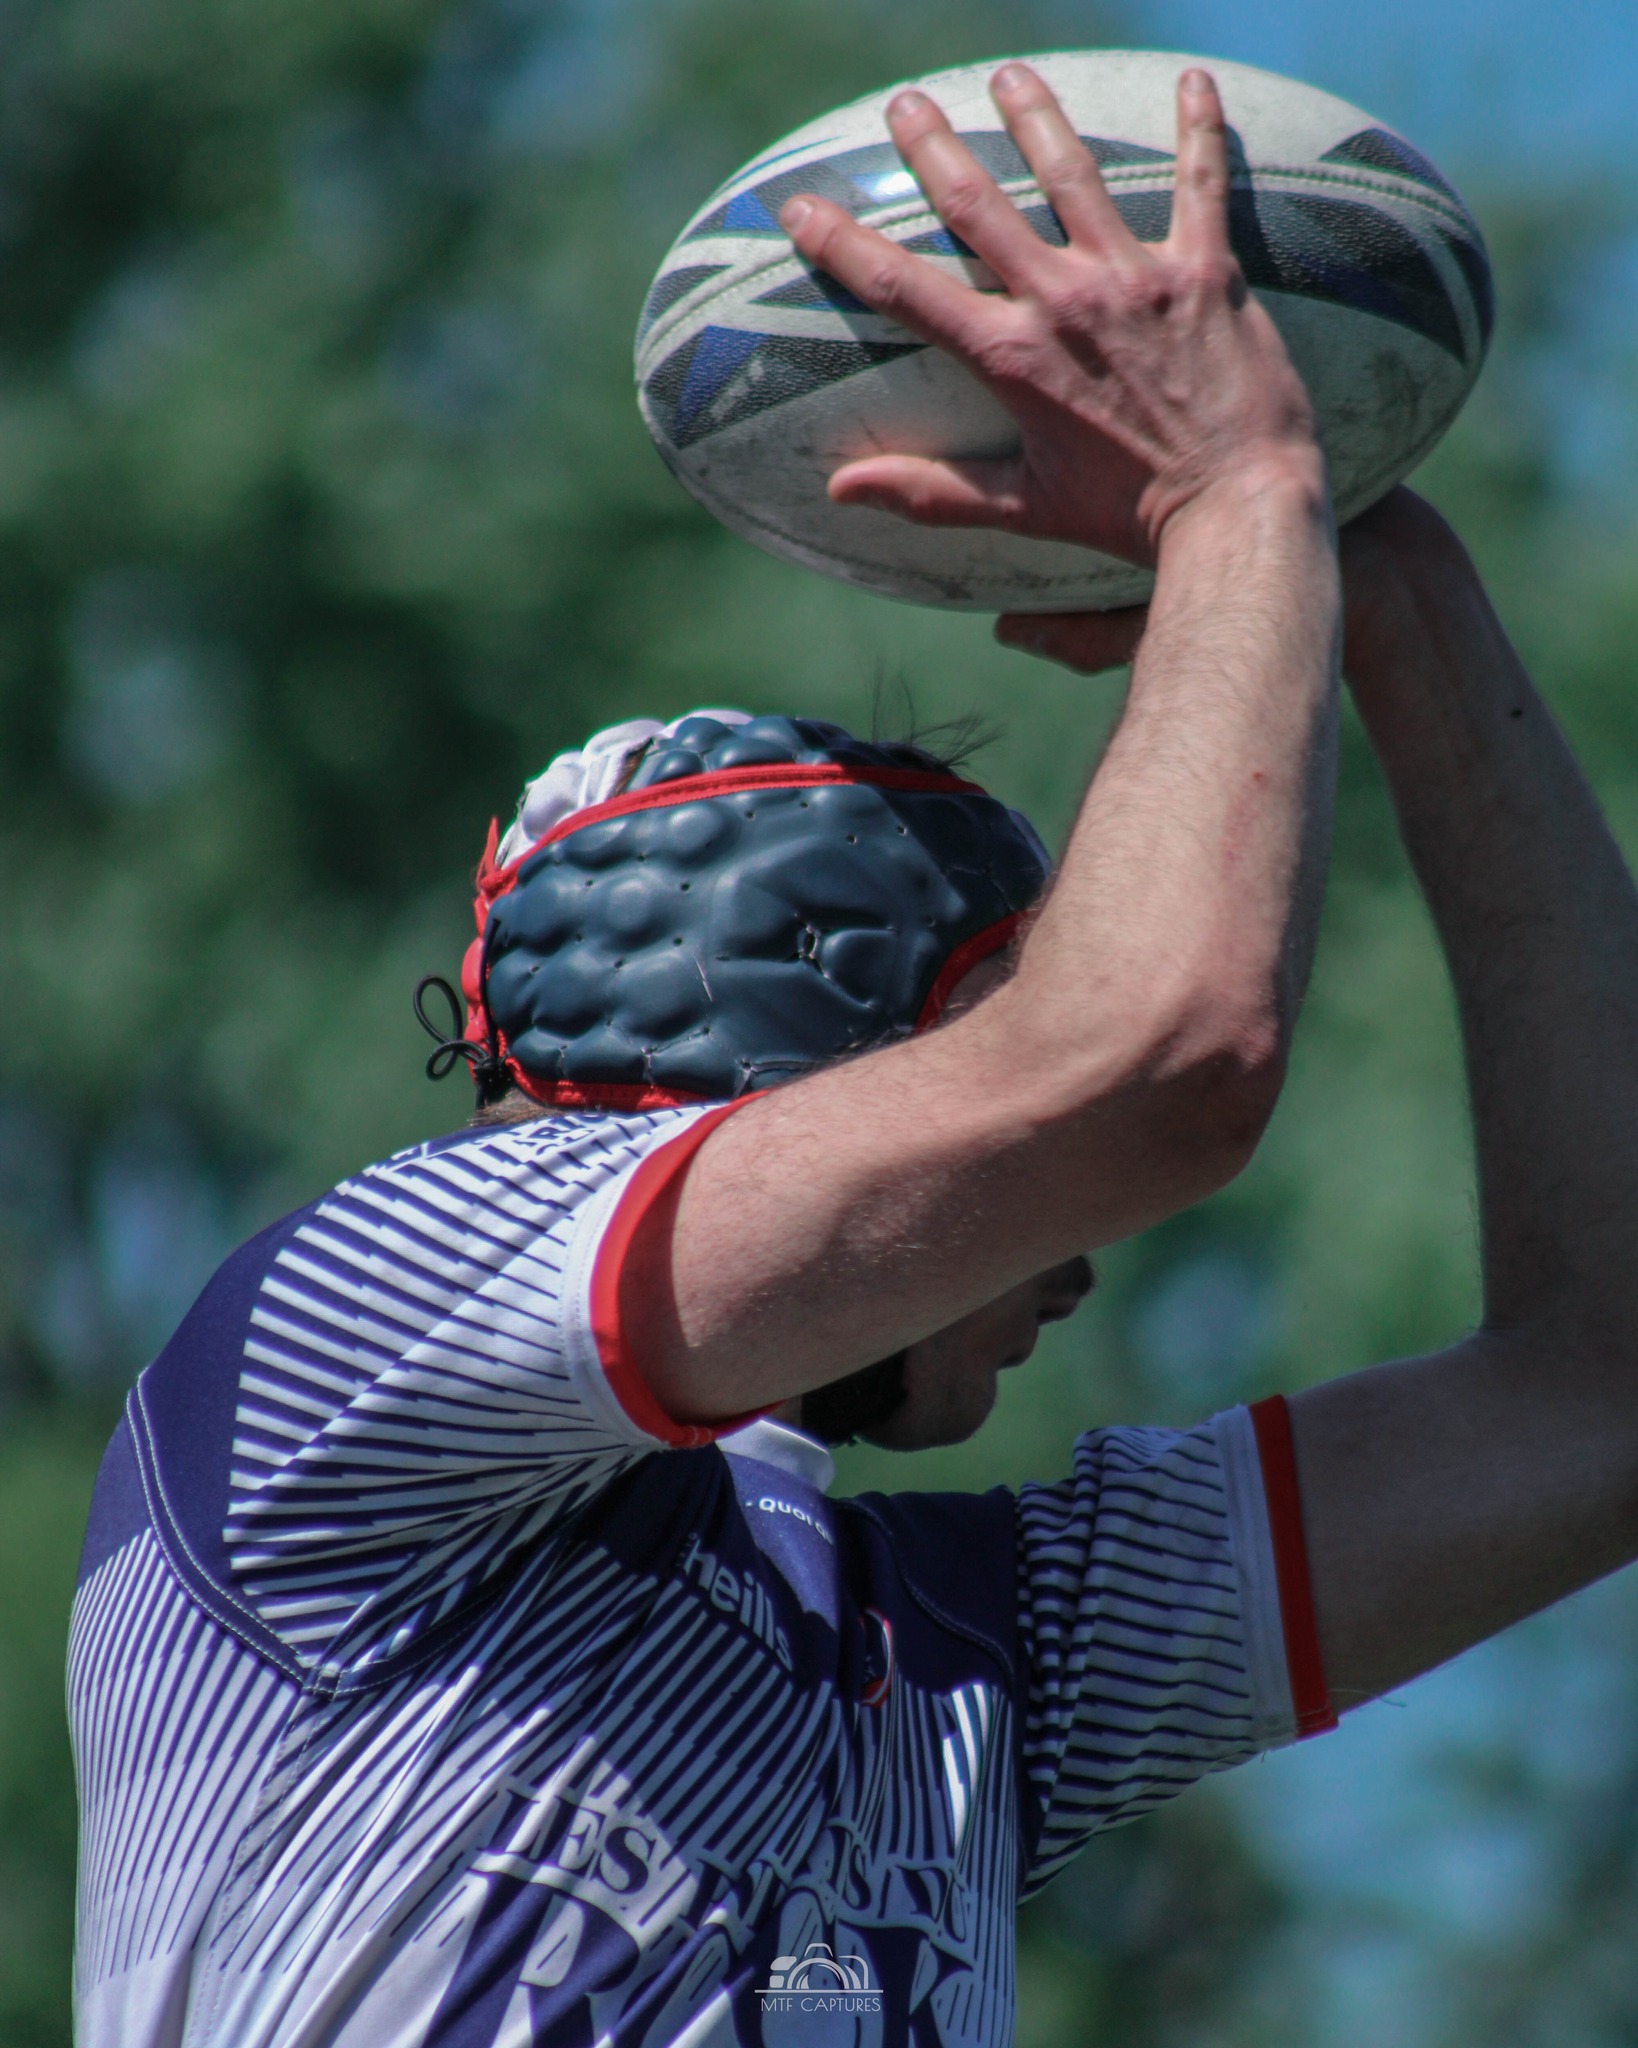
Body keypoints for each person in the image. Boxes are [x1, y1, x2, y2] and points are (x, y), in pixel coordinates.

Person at [64, 60, 1638, 2048]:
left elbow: (1609, 1392)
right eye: (995, 1025)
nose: (1076, 1246)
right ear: (800, 1042)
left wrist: (1393, 600)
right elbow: (1154, 1066)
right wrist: (1235, 504)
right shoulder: (343, 1348)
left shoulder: (974, 1662)